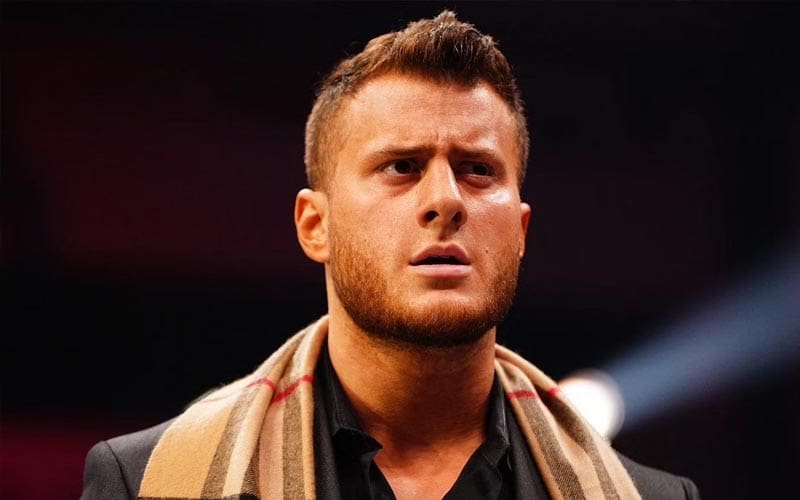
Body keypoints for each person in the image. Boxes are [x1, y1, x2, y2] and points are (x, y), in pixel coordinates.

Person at [81, 10, 700, 499]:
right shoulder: (141, 482)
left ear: (520, 231)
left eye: (478, 169)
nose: (445, 200)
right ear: (315, 226)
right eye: (402, 167)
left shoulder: (655, 497)